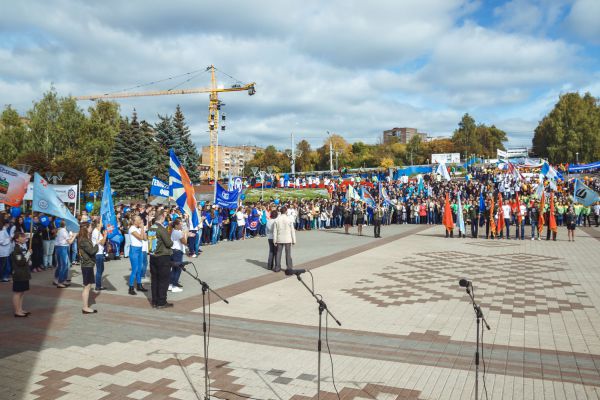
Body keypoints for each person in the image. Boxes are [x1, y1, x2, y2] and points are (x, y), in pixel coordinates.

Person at [147, 210, 174, 308]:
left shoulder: (151, 227)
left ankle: (155, 301)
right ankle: (161, 301)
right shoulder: (161, 229)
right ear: (162, 217)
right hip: (162, 256)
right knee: (163, 280)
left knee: (155, 280)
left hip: (153, 256)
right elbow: (169, 243)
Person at [78, 221, 104, 314]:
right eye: (89, 227)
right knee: (87, 287)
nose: (91, 228)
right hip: (87, 265)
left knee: (87, 286)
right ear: (86, 228)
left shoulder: (85, 238)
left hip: (88, 264)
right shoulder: (84, 240)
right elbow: (92, 251)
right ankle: (85, 307)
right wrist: (97, 244)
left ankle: (86, 306)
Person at [11, 232, 31, 317]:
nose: (24, 238)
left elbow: (25, 260)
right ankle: (17, 311)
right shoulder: (16, 249)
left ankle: (20, 309)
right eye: (21, 237)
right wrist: (28, 254)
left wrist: (29, 259)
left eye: (24, 237)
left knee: (22, 292)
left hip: (24, 272)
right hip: (19, 273)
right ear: (17, 239)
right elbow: (20, 262)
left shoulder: (22, 247)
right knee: (17, 292)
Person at [128, 216, 148, 295]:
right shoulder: (132, 228)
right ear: (134, 221)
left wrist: (143, 230)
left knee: (139, 268)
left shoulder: (138, 228)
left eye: (140, 219)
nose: (140, 220)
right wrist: (142, 228)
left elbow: (145, 239)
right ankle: (131, 287)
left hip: (140, 249)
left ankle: (139, 285)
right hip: (134, 250)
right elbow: (140, 237)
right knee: (135, 269)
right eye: (138, 219)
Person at [273, 206, 296, 273]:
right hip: (288, 239)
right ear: (286, 211)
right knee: (288, 254)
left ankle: (277, 267)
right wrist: (294, 240)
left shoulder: (277, 219)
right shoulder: (289, 219)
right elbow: (292, 230)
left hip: (279, 238)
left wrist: (274, 240)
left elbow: (275, 231)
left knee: (278, 253)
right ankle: (289, 268)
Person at [53, 221, 76, 288]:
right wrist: (74, 236)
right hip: (62, 248)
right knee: (64, 265)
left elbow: (67, 239)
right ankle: (60, 281)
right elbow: (70, 242)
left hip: (61, 247)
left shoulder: (61, 230)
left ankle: (59, 279)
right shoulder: (63, 231)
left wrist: (71, 235)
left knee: (61, 265)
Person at [169, 218, 186, 293]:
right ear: (176, 225)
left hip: (173, 251)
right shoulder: (178, 232)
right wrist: (185, 234)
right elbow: (184, 242)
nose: (181, 226)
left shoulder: (174, 231)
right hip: (177, 252)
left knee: (174, 269)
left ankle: (170, 284)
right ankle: (174, 286)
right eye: (180, 224)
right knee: (178, 269)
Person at [91, 220, 106, 291]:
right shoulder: (96, 232)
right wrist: (105, 235)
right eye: (101, 222)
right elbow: (102, 242)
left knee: (101, 269)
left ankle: (98, 284)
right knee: (99, 270)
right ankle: (98, 286)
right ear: (98, 224)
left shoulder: (97, 231)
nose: (102, 224)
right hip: (98, 253)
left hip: (99, 252)